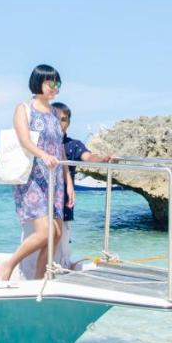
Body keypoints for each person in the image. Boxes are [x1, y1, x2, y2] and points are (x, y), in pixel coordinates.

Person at [0, 65, 74, 281]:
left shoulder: (54, 113)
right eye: (50, 83)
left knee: (56, 235)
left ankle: (39, 280)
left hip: (55, 179)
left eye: (57, 83)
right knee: (44, 233)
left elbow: (60, 149)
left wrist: (68, 182)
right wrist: (43, 155)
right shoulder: (24, 108)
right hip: (33, 177)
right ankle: (9, 264)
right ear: (38, 82)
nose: (55, 87)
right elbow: (24, 140)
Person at [52, 102, 113, 268]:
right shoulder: (43, 144)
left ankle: (61, 267)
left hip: (64, 199)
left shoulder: (73, 145)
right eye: (56, 119)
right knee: (48, 234)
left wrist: (102, 159)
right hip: (45, 197)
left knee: (63, 236)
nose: (60, 123)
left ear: (69, 122)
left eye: (64, 119)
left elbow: (88, 157)